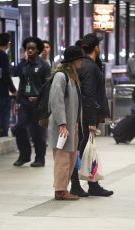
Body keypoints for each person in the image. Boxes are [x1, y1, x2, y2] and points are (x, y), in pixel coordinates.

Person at [71, 33, 114, 197]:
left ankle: (93, 184)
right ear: (96, 47)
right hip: (85, 116)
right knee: (81, 150)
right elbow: (88, 94)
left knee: (87, 150)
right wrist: (91, 120)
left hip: (83, 115)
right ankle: (76, 185)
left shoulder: (88, 65)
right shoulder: (89, 67)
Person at [48, 45, 84, 200]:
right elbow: (56, 101)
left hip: (71, 125)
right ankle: (60, 191)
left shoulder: (72, 76)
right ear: (73, 60)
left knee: (70, 158)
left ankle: (64, 188)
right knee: (62, 159)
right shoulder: (61, 76)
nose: (82, 62)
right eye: (80, 59)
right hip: (62, 127)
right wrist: (62, 123)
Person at [12, 37, 51, 167]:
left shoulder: (44, 66)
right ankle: (24, 155)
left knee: (37, 133)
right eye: (28, 48)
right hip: (24, 101)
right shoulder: (22, 66)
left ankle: (40, 158)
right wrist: (16, 102)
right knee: (19, 128)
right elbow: (21, 85)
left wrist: (39, 98)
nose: (29, 50)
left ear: (37, 50)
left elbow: (47, 87)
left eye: (32, 48)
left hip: (38, 103)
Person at [0, 32, 17, 137]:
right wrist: (13, 89)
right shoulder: (4, 56)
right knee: (5, 115)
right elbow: (5, 74)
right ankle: (4, 134)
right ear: (7, 43)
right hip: (3, 90)